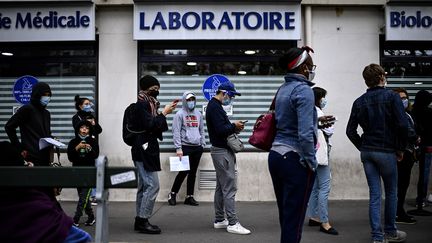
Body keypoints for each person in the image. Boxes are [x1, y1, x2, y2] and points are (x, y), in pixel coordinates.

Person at [346, 63, 408, 243]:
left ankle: (377, 237)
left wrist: (363, 146)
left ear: (366, 80)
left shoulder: (358, 102)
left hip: (367, 152)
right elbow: (403, 125)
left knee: (374, 194)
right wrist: (400, 148)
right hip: (387, 151)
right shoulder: (392, 97)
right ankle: (390, 232)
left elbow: (350, 131)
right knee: (391, 192)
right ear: (382, 77)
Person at [268, 46, 318, 243]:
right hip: (295, 157)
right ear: (303, 68)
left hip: (276, 155)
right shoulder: (304, 90)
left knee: (286, 216)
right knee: (295, 219)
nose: (313, 68)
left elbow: (285, 119)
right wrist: (312, 163)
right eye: (311, 65)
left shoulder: (283, 89)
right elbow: (305, 134)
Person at [0, 141, 92, 243]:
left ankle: (85, 216)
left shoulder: (91, 142)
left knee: (84, 199)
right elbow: (82, 238)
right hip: (77, 177)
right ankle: (82, 217)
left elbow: (94, 155)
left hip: (86, 177)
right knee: (83, 200)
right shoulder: (36, 203)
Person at [132, 75, 177, 234]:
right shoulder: (142, 105)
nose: (157, 91)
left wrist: (162, 113)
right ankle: (143, 220)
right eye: (155, 89)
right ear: (147, 88)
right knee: (152, 185)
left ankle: (140, 219)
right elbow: (151, 125)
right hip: (143, 149)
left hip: (146, 148)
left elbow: (159, 128)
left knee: (144, 186)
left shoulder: (150, 104)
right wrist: (163, 113)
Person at [205, 81, 251, 235]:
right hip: (222, 152)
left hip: (220, 151)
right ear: (223, 93)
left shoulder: (214, 106)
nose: (231, 98)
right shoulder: (215, 107)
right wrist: (234, 126)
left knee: (221, 187)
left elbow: (220, 128)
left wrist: (233, 126)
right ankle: (232, 223)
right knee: (230, 187)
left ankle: (220, 219)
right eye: (231, 95)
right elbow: (220, 130)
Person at [307, 87, 338, 235]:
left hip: (312, 153)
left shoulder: (308, 111)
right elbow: (329, 131)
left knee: (314, 186)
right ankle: (324, 222)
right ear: (319, 98)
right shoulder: (318, 112)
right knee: (324, 187)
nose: (324, 100)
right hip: (321, 153)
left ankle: (314, 216)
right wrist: (331, 122)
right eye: (323, 97)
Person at [168, 91, 205, 206]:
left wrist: (202, 144)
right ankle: (172, 194)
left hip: (197, 147)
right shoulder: (179, 114)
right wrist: (178, 148)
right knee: (183, 172)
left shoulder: (198, 114)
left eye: (192, 99)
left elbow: (202, 130)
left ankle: (189, 196)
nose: (191, 102)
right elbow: (176, 132)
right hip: (185, 147)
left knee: (192, 173)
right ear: (184, 100)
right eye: (188, 100)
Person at [5, 82, 53, 166]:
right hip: (31, 157)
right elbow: (9, 127)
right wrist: (19, 148)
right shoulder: (27, 109)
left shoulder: (46, 113)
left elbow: (45, 133)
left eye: (49, 95)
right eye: (44, 94)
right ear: (37, 95)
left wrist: (53, 140)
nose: (47, 97)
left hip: (45, 158)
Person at [392, 88, 419, 224]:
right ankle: (397, 213)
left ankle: (398, 211)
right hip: (401, 152)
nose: (403, 100)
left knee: (403, 184)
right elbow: (407, 131)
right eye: (400, 98)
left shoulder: (407, 113)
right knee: (401, 185)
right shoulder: (398, 114)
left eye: (405, 97)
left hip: (407, 151)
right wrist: (416, 138)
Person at [67, 120, 100, 227]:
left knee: (83, 197)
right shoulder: (73, 142)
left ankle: (76, 218)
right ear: (78, 129)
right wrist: (77, 148)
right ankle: (91, 217)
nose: (84, 129)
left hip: (89, 172)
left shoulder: (93, 141)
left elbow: (95, 156)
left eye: (87, 128)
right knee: (83, 196)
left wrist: (89, 149)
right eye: (82, 127)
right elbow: (70, 158)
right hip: (77, 172)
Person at [73, 95, 103, 206]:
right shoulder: (76, 117)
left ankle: (94, 195)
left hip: (92, 146)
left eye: (89, 103)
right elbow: (77, 129)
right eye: (86, 104)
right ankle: (83, 196)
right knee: (81, 171)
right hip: (81, 146)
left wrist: (93, 124)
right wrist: (86, 124)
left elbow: (99, 130)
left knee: (93, 171)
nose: (88, 105)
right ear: (80, 106)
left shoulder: (91, 116)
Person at [411, 90, 432, 214]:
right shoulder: (429, 112)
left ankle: (420, 199)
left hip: (416, 145)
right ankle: (421, 199)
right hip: (427, 146)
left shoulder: (413, 111)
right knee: (425, 173)